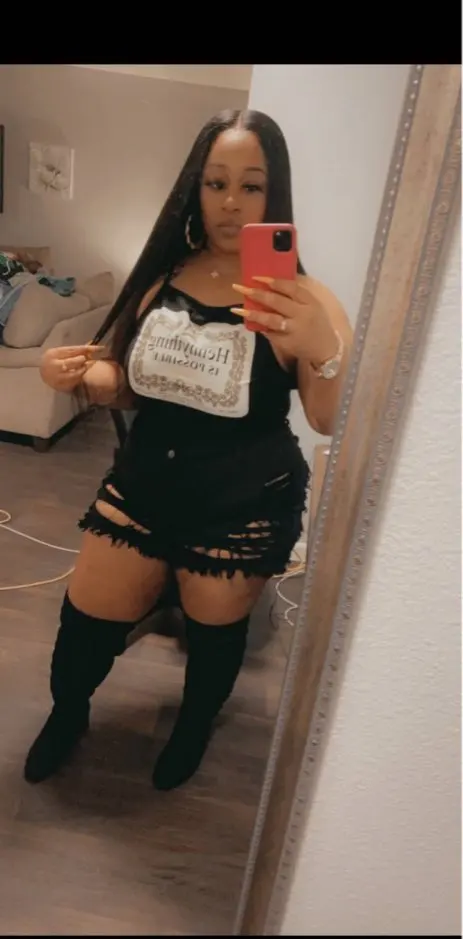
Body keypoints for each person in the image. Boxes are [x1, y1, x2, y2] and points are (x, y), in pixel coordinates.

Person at [24, 109, 353, 791]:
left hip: (243, 502)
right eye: (215, 182)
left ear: (275, 193)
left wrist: (323, 348)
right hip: (143, 486)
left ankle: (193, 727)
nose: (231, 201)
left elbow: (327, 419)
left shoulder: (304, 299)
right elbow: (129, 384)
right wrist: (76, 377)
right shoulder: (163, 276)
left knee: (213, 638)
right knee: (84, 622)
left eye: (251, 185)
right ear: (194, 189)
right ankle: (68, 712)